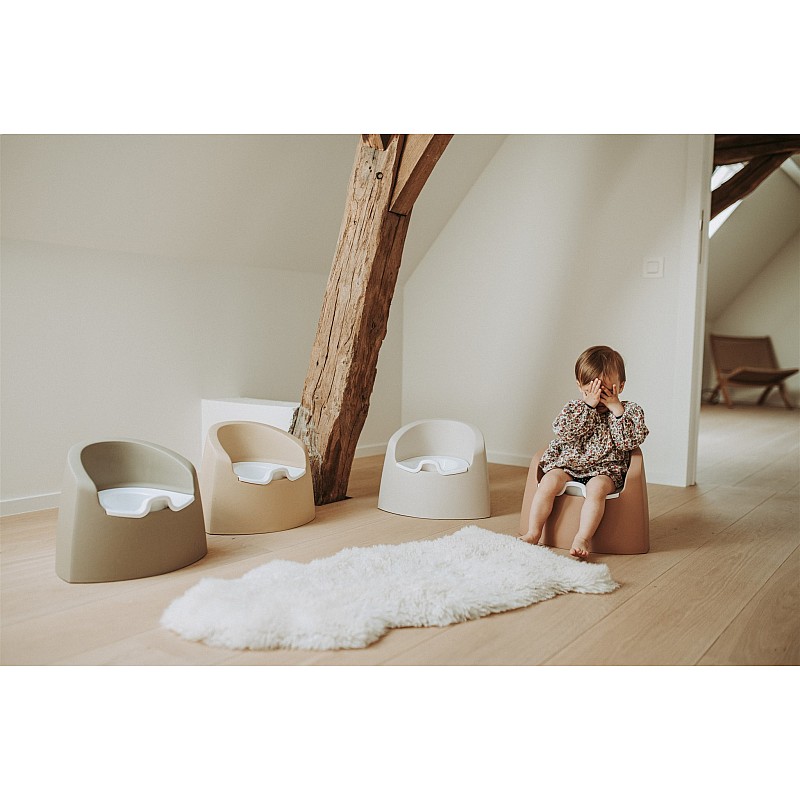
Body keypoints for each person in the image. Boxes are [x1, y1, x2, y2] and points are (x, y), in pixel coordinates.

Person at [520, 345, 649, 558]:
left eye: (606, 392)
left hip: (605, 470)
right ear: (580, 387)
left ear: (621, 386)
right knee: (549, 481)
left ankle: (583, 537)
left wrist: (616, 409)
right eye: (592, 391)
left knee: (596, 488)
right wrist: (587, 407)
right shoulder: (575, 408)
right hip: (569, 465)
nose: (599, 398)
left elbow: (628, 443)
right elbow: (564, 433)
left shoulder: (630, 411)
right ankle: (534, 532)